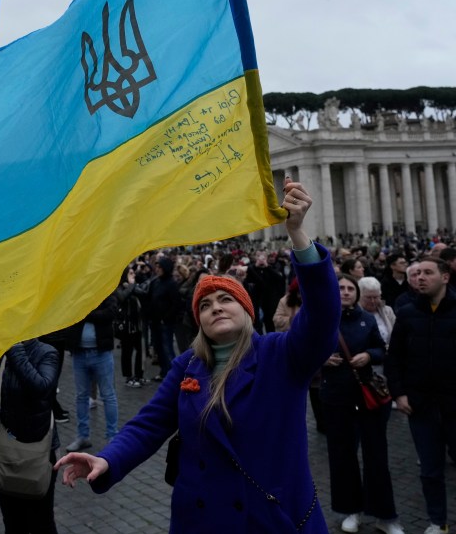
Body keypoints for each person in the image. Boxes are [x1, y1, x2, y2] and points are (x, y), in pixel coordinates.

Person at [55, 177, 341, 532]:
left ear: (248, 311)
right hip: (200, 519)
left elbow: (323, 317)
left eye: (226, 300)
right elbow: (149, 425)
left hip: (271, 516)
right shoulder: (186, 366)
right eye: (205, 305)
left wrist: (298, 235)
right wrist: (107, 458)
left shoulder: (281, 355)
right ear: (199, 322)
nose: (215, 308)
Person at [385, 257, 456, 534]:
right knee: (430, 472)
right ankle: (438, 521)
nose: (420, 277)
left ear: (445, 277)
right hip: (421, 408)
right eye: (418, 273)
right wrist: (399, 394)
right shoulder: (408, 313)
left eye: (428, 273)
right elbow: (394, 358)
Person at [320, 275, 403, 533]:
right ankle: (350, 510)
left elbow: (380, 349)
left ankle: (385, 515)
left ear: (357, 293)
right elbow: (302, 352)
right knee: (343, 457)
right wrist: (321, 360)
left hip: (367, 396)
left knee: (376, 456)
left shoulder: (367, 319)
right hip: (336, 397)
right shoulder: (321, 320)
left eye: (349, 288)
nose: (345, 292)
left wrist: (368, 355)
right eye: (340, 288)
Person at [0, 339, 60, 533]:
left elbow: (41, 389)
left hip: (38, 454)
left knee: (42, 523)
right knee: (13, 524)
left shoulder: (47, 353)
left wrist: (14, 350)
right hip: (5, 455)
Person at [65, 288, 120, 451]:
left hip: (101, 352)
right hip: (80, 352)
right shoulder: (77, 291)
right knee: (81, 396)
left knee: (108, 395)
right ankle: (83, 436)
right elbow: (70, 312)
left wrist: (87, 312)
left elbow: (110, 313)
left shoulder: (106, 290)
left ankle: (112, 436)